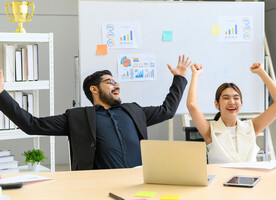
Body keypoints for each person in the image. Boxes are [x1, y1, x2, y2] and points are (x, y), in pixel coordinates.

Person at [0, 55, 191, 170]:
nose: (116, 85)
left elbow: (167, 111)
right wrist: (1, 94)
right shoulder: (77, 117)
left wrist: (180, 78)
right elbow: (31, 125)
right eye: (110, 82)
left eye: (116, 82)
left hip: (137, 183)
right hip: (98, 187)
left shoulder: (134, 111)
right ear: (94, 89)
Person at [186, 62, 276, 163]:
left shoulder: (251, 127)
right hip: (222, 179)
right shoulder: (209, 130)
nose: (232, 102)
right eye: (226, 98)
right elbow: (192, 105)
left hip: (250, 178)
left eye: (236, 98)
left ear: (241, 104)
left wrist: (261, 72)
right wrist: (195, 75)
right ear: (217, 104)